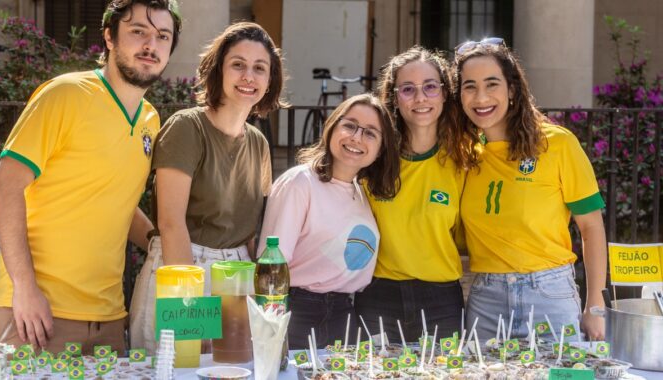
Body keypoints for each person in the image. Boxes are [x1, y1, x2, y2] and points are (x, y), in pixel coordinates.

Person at [0, 0, 181, 354]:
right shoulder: (64, 94)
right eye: (138, 31)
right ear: (109, 37)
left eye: (162, 36)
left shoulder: (150, 121)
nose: (150, 45)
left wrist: (161, 242)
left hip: (108, 321)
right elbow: (4, 187)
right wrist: (25, 289)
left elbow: (117, 204)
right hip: (39, 314)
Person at [129, 22, 285, 352]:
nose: (249, 76)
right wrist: (190, 310)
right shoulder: (187, 127)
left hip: (236, 276)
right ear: (218, 70)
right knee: (178, 370)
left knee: (232, 369)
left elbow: (249, 233)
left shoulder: (258, 143)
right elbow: (171, 224)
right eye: (238, 65)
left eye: (260, 68)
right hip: (182, 269)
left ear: (270, 80)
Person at [453, 38, 607, 341]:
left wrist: (595, 304)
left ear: (512, 89)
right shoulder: (463, 154)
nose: (480, 97)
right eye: (469, 86)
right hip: (485, 299)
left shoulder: (558, 144)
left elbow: (591, 227)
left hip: (550, 296)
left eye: (491, 84)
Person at [258, 94, 400, 349]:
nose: (356, 137)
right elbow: (271, 267)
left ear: (381, 149)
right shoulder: (300, 183)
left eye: (370, 133)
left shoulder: (363, 192)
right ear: (332, 127)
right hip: (298, 312)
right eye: (350, 125)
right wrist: (269, 331)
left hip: (345, 314)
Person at [355, 46, 475, 343]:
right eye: (407, 89)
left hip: (441, 300)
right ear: (394, 98)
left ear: (445, 93)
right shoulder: (372, 159)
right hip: (377, 296)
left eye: (430, 87)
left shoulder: (466, 160)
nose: (420, 98)